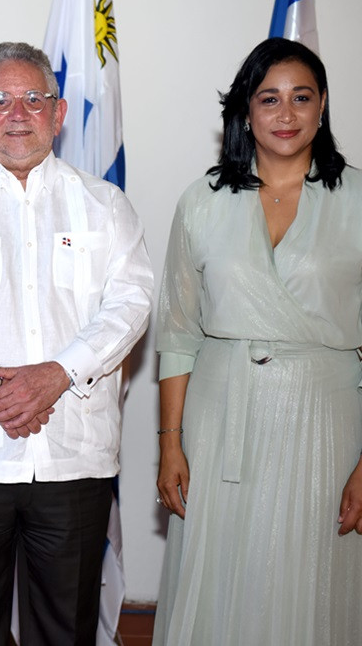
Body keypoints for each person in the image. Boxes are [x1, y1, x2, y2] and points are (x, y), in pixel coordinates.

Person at [0, 42, 154, 645]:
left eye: (34, 98)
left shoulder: (106, 207)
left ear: (59, 113)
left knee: (64, 630)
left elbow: (132, 303)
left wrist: (57, 375)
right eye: (0, 100)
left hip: (73, 455)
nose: (18, 112)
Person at [153, 37, 362, 645]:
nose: (286, 114)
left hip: (325, 419)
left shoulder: (358, 200)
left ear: (323, 106)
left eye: (301, 98)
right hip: (220, 418)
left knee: (309, 574)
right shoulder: (202, 202)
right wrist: (170, 445)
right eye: (269, 99)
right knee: (221, 577)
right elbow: (178, 331)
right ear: (246, 110)